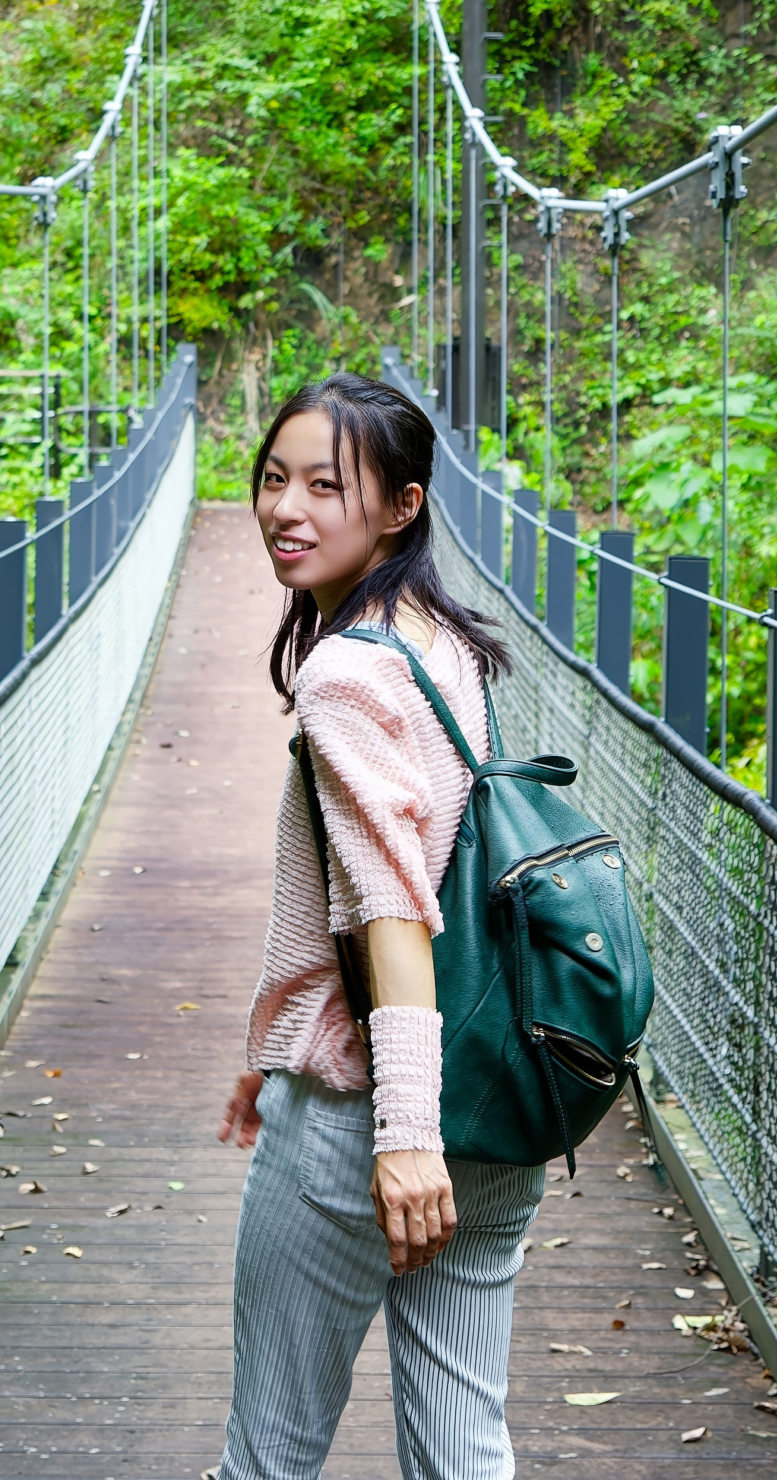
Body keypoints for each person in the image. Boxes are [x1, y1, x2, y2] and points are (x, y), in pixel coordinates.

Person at [214, 371, 541, 1480]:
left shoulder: (347, 670)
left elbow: (391, 908)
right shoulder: (441, 636)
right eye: (271, 478)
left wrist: (404, 1138)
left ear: (400, 506)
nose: (284, 510)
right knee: (464, 1454)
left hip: (371, 1116)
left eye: (324, 484)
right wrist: (276, 1048)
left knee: (269, 1454)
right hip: (492, 1103)